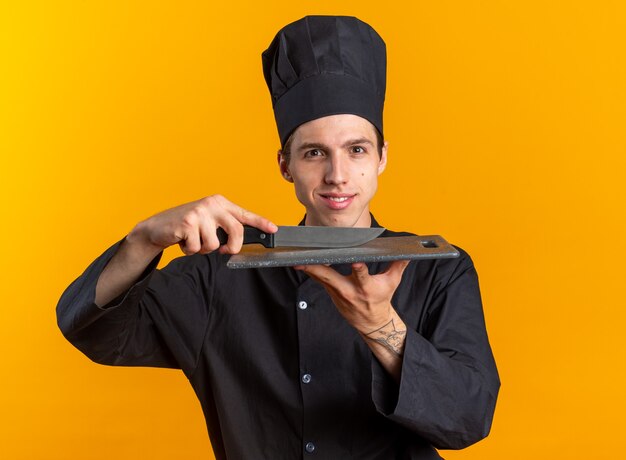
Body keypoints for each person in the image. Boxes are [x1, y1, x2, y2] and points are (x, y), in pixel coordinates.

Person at [57, 15, 499, 459]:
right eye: (314, 153)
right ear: (285, 165)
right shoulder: (224, 269)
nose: (337, 175)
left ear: (382, 157)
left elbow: (467, 420)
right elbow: (97, 333)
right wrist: (144, 240)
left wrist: (380, 326)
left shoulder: (439, 268)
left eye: (356, 149)